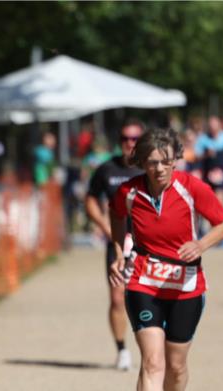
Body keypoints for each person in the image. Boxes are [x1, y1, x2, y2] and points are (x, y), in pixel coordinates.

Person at [108, 128, 223, 391]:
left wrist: (201, 245)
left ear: (175, 160)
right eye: (151, 163)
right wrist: (120, 251)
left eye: (165, 162)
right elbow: (116, 215)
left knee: (175, 368)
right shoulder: (129, 192)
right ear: (141, 163)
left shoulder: (191, 188)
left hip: (186, 286)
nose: (159, 169)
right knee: (152, 362)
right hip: (144, 282)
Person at [84, 119, 145, 371]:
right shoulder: (106, 170)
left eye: (135, 139)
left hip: (147, 242)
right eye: (125, 138)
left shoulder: (149, 168)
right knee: (118, 299)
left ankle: (153, 348)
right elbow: (90, 199)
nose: (130, 143)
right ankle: (122, 350)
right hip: (118, 242)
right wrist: (105, 226)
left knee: (148, 298)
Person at [195, 116, 223, 219]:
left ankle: (222, 219)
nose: (213, 130)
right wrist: (207, 153)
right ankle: (211, 219)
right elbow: (197, 156)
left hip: (221, 171)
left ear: (219, 126)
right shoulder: (203, 139)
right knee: (207, 197)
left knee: (220, 195)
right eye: (211, 127)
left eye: (215, 127)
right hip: (207, 171)